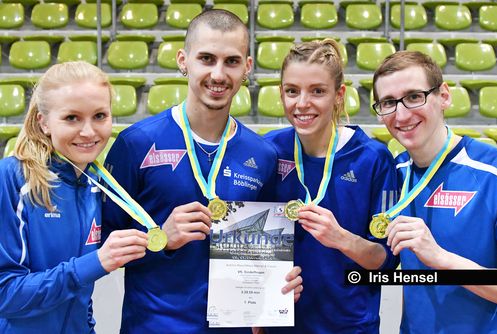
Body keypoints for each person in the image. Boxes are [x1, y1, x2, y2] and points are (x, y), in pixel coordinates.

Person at [102, 9, 302, 334]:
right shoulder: (136, 143)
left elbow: (262, 248)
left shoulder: (262, 154)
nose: (218, 74)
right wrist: (160, 239)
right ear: (184, 61)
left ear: (247, 67)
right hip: (154, 326)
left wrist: (275, 288)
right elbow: (102, 245)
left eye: (232, 61)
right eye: (206, 59)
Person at [261, 39, 399, 333]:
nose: (302, 104)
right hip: (282, 323)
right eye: (292, 91)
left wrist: (341, 239)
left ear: (339, 95)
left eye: (318, 91)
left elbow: (387, 263)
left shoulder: (373, 159)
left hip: (348, 325)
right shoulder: (269, 151)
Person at [0, 61, 149, 333]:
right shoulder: (13, 178)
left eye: (100, 116)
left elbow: (79, 294)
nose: (89, 132)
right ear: (43, 122)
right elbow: (6, 294)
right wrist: (95, 263)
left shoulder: (95, 183)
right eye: (72, 118)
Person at [373, 50, 497, 333]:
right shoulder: (394, 174)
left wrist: (440, 258)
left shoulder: (494, 172)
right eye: (389, 102)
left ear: (444, 95)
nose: (402, 114)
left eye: (414, 97)